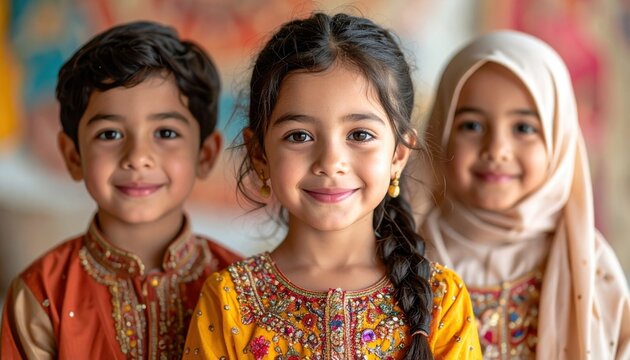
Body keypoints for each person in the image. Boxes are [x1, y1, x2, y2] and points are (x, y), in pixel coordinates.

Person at [183, 12, 481, 359]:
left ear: (398, 154)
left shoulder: (441, 298)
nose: (330, 162)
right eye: (299, 135)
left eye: (360, 135)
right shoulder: (229, 299)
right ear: (259, 154)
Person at [0, 21, 242, 359]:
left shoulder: (243, 288)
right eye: (110, 134)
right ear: (73, 156)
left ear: (205, 154)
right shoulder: (42, 293)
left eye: (166, 133)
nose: (138, 158)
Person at [414, 30, 630, 359]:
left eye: (524, 128)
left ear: (559, 141)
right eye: (471, 125)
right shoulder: (406, 253)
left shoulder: (586, 261)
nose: (497, 150)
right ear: (440, 130)